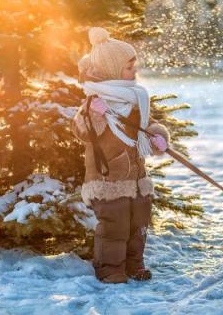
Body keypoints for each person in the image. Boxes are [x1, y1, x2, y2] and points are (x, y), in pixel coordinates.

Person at [71, 27, 170, 284]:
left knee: (138, 226)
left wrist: (157, 136)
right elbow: (81, 132)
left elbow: (146, 126)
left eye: (133, 65)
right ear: (112, 69)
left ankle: (135, 265)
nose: (134, 70)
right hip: (108, 181)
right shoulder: (94, 101)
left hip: (137, 178)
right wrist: (94, 114)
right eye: (128, 67)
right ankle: (110, 269)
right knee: (114, 228)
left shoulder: (135, 99)